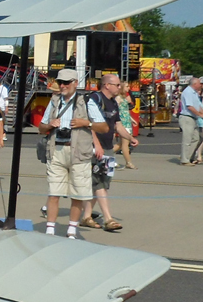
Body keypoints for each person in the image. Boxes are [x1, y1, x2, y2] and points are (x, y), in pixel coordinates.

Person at [39, 68, 107, 238]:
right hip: (57, 150)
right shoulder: (54, 101)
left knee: (78, 193)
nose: (62, 86)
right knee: (54, 192)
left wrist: (86, 123)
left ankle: (71, 230)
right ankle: (50, 230)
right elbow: (41, 128)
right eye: (60, 82)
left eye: (66, 83)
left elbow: (104, 127)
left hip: (79, 152)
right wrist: (50, 125)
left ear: (75, 83)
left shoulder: (86, 101)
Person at [81, 74, 138, 232]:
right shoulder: (94, 99)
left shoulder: (113, 102)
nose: (119, 88)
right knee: (99, 182)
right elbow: (88, 124)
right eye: (117, 85)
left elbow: (117, 125)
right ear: (107, 85)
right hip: (94, 148)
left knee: (103, 182)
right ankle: (108, 219)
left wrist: (130, 137)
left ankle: (86, 217)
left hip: (107, 147)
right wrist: (96, 144)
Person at [178, 76, 202, 166]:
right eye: (199, 83)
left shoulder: (194, 93)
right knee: (187, 139)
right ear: (195, 84)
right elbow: (189, 106)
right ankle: (184, 160)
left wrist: (201, 113)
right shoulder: (188, 92)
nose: (201, 85)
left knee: (196, 138)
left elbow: (198, 106)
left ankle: (188, 156)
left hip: (193, 118)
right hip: (187, 117)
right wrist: (199, 115)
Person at [117, 81, 136, 169]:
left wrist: (132, 120)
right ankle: (128, 162)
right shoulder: (118, 98)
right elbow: (116, 110)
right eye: (127, 86)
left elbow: (125, 111)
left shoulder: (125, 97)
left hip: (127, 120)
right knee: (125, 144)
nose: (128, 88)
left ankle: (105, 154)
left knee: (120, 144)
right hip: (123, 122)